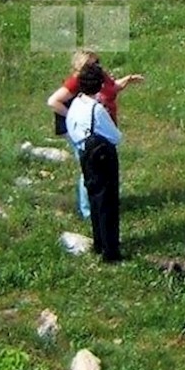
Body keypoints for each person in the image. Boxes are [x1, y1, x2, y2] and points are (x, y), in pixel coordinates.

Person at [47, 50, 143, 218]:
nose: (97, 66)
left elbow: (110, 89)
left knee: (103, 168)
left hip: (103, 128)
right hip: (86, 132)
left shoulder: (100, 76)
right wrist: (75, 115)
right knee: (90, 169)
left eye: (97, 62)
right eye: (92, 64)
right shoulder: (78, 81)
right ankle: (88, 210)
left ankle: (104, 202)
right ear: (81, 67)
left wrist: (126, 81)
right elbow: (53, 101)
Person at [66, 61, 124, 263]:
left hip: (84, 154)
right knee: (108, 202)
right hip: (102, 156)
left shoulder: (75, 103)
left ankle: (99, 241)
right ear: (99, 86)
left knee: (94, 197)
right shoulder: (96, 110)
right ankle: (111, 251)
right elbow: (115, 136)